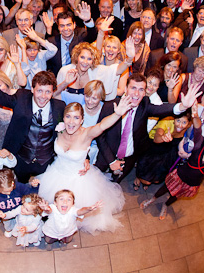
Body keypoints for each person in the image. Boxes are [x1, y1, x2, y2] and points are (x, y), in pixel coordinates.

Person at [36, 98, 135, 234]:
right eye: (68, 117)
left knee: (77, 211)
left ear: (82, 120)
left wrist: (117, 114)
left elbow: (101, 126)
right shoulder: (59, 129)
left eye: (76, 118)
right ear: (63, 118)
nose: (71, 122)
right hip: (56, 173)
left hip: (78, 179)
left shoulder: (87, 134)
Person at [0, 41, 65, 183]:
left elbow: (72, 131)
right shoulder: (21, 97)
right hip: (20, 158)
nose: (43, 96)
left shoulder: (60, 107)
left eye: (48, 92)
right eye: (39, 91)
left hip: (45, 161)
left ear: (53, 92)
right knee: (20, 185)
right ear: (32, 89)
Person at [94, 73, 201, 183]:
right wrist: (111, 161)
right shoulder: (110, 106)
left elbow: (161, 109)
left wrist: (183, 106)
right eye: (133, 88)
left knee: (115, 184)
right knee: (95, 182)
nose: (136, 93)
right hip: (106, 156)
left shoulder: (144, 106)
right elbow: (100, 136)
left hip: (128, 159)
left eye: (141, 90)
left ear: (145, 92)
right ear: (126, 88)